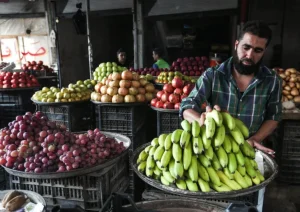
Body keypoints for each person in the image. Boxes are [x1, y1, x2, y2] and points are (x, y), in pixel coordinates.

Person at [180, 20, 282, 211]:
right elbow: (187, 104)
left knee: (250, 203)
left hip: (249, 153)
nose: (249, 55)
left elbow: (274, 116)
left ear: (264, 52)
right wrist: (201, 119)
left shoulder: (272, 81)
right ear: (236, 45)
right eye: (246, 47)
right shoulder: (213, 75)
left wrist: (256, 138)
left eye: (257, 51)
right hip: (213, 154)